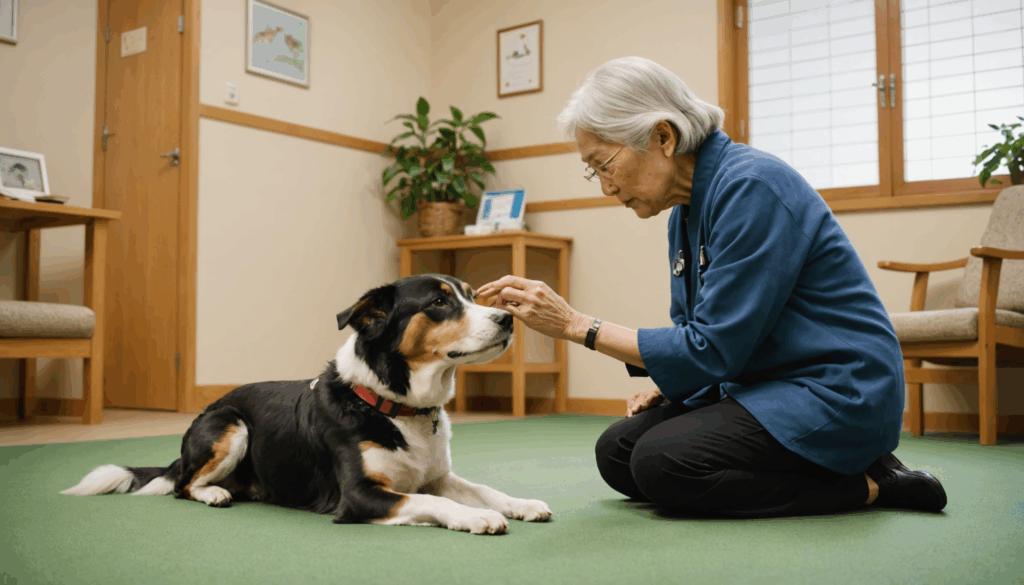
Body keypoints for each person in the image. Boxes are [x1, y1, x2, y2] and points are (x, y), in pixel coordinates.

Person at [477, 56, 947, 518]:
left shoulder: (752, 185)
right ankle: (840, 473)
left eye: (604, 165)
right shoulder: (684, 211)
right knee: (618, 453)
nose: (605, 187)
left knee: (663, 462)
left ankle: (868, 484)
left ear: (663, 136)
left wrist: (577, 325)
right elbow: (695, 329)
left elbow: (714, 347)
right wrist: (669, 383)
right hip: (769, 384)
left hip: (838, 389)